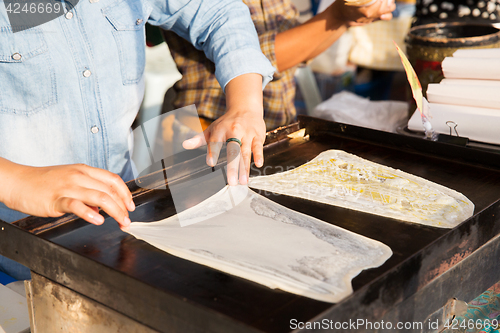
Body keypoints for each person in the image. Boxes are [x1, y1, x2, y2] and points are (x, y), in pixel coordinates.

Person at [0, 0, 276, 280]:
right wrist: (14, 181)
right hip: (14, 254)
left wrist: (245, 104)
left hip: (120, 229)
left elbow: (217, 11)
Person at [161, 0, 396, 131]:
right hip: (209, 128)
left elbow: (296, 50)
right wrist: (337, 15)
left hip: (274, 124)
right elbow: (257, 56)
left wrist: (349, 16)